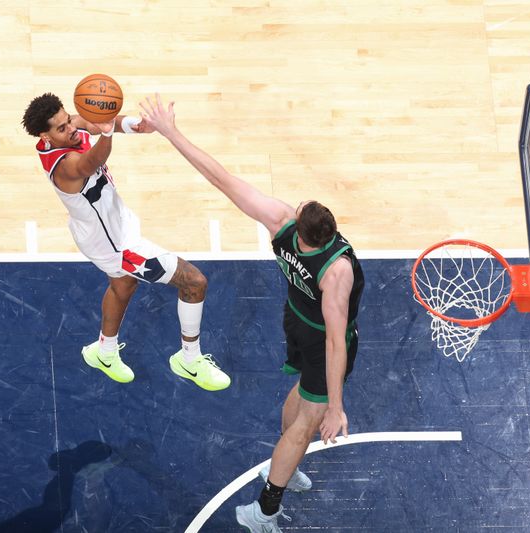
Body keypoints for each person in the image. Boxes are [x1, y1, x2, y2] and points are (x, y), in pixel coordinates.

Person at [138, 94, 365, 531]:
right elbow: (337, 341)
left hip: (296, 321)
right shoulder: (336, 272)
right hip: (320, 337)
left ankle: (284, 462)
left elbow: (221, 178)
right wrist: (337, 406)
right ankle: (263, 511)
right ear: (330, 233)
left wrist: (170, 132)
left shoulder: (280, 222)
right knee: (311, 418)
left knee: (302, 394)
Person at [21, 93, 230, 392]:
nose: (70, 128)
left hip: (104, 229)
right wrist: (107, 135)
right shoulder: (64, 166)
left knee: (123, 286)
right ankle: (190, 359)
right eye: (62, 128)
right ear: (45, 136)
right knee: (195, 282)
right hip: (118, 246)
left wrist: (136, 125)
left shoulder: (64, 131)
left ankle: (104, 353)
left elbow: (96, 121)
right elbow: (92, 161)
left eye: (68, 121)